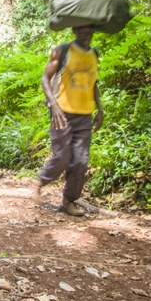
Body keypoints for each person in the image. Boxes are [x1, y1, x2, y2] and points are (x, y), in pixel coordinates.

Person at [35, 26, 104, 216]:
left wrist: (100, 108)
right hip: (62, 112)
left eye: (89, 30)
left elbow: (93, 82)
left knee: (81, 161)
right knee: (63, 157)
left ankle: (68, 201)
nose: (86, 33)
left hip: (85, 115)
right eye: (82, 29)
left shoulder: (94, 54)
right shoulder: (62, 51)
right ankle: (40, 180)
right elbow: (45, 79)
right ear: (74, 29)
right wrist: (53, 105)